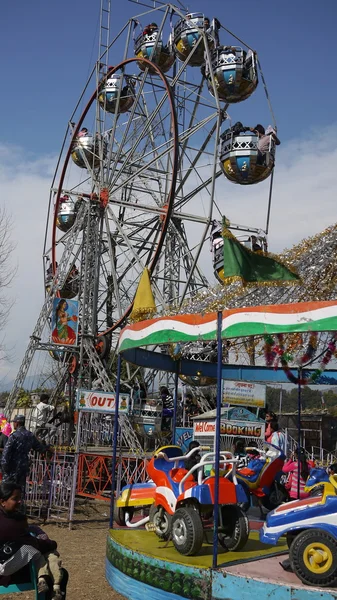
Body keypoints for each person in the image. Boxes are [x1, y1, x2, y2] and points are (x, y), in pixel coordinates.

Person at [0, 482, 67, 599]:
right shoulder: (12, 524)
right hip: (7, 573)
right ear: (3, 502)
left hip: (7, 562)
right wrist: (52, 543)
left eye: (20, 498)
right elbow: (34, 544)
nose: (20, 501)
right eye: (15, 499)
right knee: (58, 573)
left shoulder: (10, 518)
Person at [1, 415, 48, 490]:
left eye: (14, 422)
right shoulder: (30, 435)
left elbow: (6, 453)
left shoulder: (14, 436)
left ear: (17, 423)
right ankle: (20, 501)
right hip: (23, 467)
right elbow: (40, 448)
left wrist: (4, 468)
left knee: (8, 490)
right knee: (20, 489)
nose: (13, 424)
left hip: (12, 467)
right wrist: (48, 447)